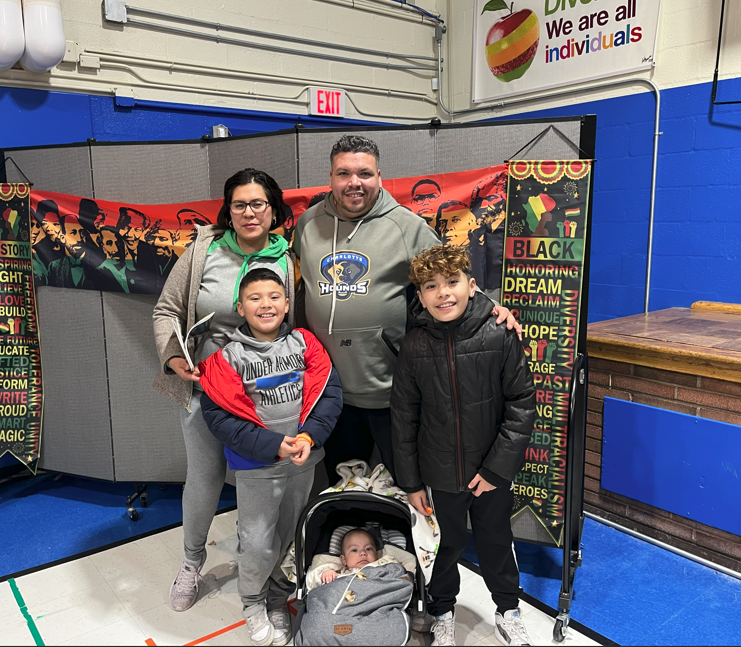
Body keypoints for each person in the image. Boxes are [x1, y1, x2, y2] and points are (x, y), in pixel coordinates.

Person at [291, 135, 521, 484]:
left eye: (364, 173)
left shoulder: (407, 226)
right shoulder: (307, 224)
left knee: (406, 485)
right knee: (345, 484)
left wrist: (490, 308)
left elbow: (449, 279)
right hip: (329, 389)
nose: (355, 182)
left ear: (379, 176)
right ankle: (352, 540)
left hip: (391, 390)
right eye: (344, 173)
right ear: (331, 178)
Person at [152, 168, 297, 619]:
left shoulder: (290, 258)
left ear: (273, 209)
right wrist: (174, 357)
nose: (249, 212)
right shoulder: (203, 250)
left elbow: (302, 323)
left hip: (270, 387)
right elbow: (165, 309)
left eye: (258, 204)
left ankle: (274, 565)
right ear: (227, 210)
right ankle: (192, 562)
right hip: (208, 385)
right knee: (205, 476)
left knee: (274, 478)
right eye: (239, 204)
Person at [391, 245, 535, 647]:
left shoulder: (498, 333)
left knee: (496, 541)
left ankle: (508, 610)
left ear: (472, 286)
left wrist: (495, 470)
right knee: (443, 548)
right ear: (419, 297)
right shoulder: (414, 347)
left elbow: (522, 405)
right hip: (438, 475)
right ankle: (442, 612)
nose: (443, 293)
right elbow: (404, 418)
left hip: (490, 471)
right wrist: (412, 482)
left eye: (452, 282)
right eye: (431, 286)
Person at [199, 267, 342, 646]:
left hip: (303, 464)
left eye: (274, 296)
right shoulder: (227, 357)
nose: (266, 304)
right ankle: (252, 601)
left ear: (287, 303)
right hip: (258, 468)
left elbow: (329, 393)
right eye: (255, 298)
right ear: (240, 306)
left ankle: (278, 596)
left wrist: (310, 436)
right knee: (259, 543)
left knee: (289, 536)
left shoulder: (305, 344)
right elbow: (220, 418)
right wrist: (270, 445)